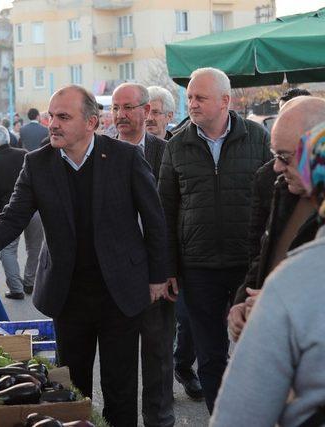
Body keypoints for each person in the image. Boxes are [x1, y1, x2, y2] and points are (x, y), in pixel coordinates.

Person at [0, 85, 169, 426]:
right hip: (68, 294)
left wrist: (157, 276)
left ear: (91, 122)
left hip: (120, 292)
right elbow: (13, 217)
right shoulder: (37, 163)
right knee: (72, 388)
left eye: (63, 117)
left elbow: (154, 219)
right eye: (51, 116)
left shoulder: (125, 157)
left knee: (120, 388)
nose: (53, 124)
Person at [158, 67, 271, 413]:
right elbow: (165, 210)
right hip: (198, 267)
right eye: (190, 97)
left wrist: (268, 263)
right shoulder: (176, 145)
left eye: (199, 97)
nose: (191, 103)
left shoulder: (257, 138)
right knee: (209, 353)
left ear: (224, 101)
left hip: (247, 264)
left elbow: (273, 202)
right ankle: (221, 417)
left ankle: (255, 415)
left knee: (255, 347)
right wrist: (169, 268)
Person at [210, 122, 325, 427]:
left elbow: (239, 416)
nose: (276, 167)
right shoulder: (277, 187)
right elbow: (260, 253)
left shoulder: (294, 284)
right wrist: (244, 300)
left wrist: (275, 305)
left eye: (286, 158)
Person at [227, 96, 325, 342]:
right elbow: (265, 255)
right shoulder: (284, 189)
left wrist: (283, 301)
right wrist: (241, 304)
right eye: (275, 155)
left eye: (284, 157)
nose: (276, 167)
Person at [112, 82, 175, 427]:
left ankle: (159, 419)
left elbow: (175, 215)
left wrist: (168, 271)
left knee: (158, 351)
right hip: (116, 271)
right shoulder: (101, 152)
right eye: (115, 109)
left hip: (157, 271)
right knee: (119, 356)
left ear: (146, 111)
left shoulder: (168, 152)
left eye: (128, 108)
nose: (120, 115)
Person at [145, 85, 202, 400]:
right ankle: (161, 384)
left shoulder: (180, 147)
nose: (150, 117)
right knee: (154, 328)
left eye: (156, 112)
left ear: (169, 115)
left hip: (179, 247)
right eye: (147, 110)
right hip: (139, 251)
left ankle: (182, 365)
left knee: (187, 317)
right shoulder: (119, 147)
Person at [0, 125, 43, 300]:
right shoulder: (25, 154)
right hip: (35, 210)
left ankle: (16, 288)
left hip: (9, 214)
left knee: (8, 250)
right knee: (35, 248)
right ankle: (30, 283)